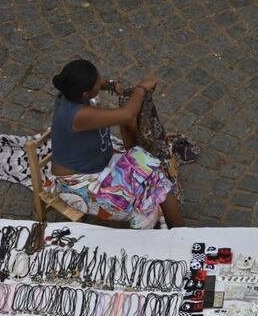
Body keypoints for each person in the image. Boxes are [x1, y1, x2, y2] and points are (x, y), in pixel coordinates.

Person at [50, 59, 184, 229]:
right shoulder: (78, 115)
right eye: (97, 83)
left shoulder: (70, 92)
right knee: (145, 203)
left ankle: (180, 234)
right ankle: (170, 238)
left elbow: (99, 83)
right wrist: (140, 89)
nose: (101, 81)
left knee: (158, 179)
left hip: (100, 165)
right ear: (85, 93)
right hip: (78, 183)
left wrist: (111, 85)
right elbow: (127, 114)